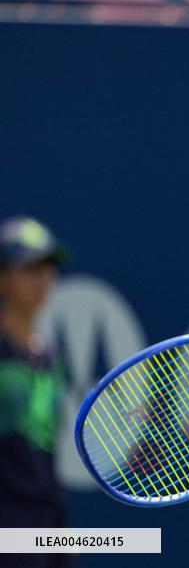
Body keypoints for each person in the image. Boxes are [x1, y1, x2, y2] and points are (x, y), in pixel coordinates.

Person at [0, 216, 70, 568]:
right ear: (3, 278)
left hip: (47, 528)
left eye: (48, 267)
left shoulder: (49, 357)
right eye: (30, 268)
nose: (43, 279)